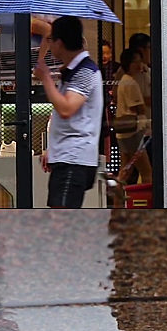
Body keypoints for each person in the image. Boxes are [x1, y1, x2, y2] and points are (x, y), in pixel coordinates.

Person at [34, 15, 103, 208]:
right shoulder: (73, 70)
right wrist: (53, 149)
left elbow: (66, 109)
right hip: (68, 157)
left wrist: (46, 78)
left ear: (60, 43)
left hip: (74, 159)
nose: (48, 45)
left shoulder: (85, 71)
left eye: (50, 39)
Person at [114, 47, 152, 186]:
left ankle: (118, 203)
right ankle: (148, 203)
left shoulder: (124, 80)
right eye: (136, 61)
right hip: (133, 133)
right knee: (146, 171)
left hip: (124, 134)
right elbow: (138, 107)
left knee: (125, 171)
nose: (139, 64)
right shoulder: (130, 82)